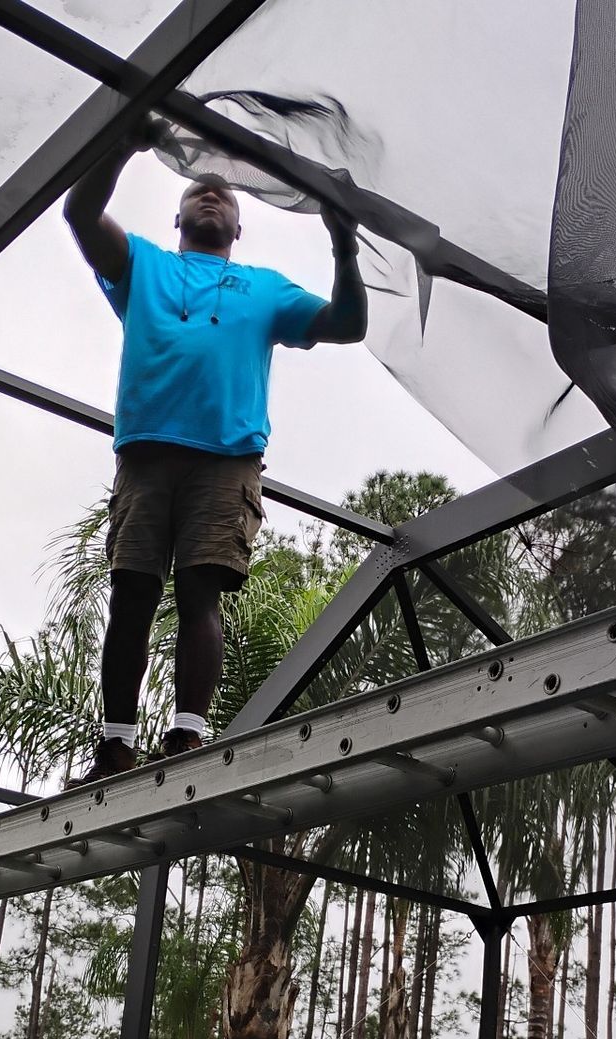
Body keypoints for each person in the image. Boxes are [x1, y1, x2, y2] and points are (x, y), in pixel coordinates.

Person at [64, 121, 367, 784]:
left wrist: (344, 245)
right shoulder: (144, 265)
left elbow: (348, 325)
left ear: (239, 227)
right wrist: (123, 140)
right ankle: (115, 744)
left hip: (226, 459)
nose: (211, 196)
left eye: (224, 196)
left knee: (200, 594)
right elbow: (80, 213)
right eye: (198, 192)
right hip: (146, 455)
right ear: (177, 218)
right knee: (132, 594)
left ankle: (187, 735)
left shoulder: (265, 288)